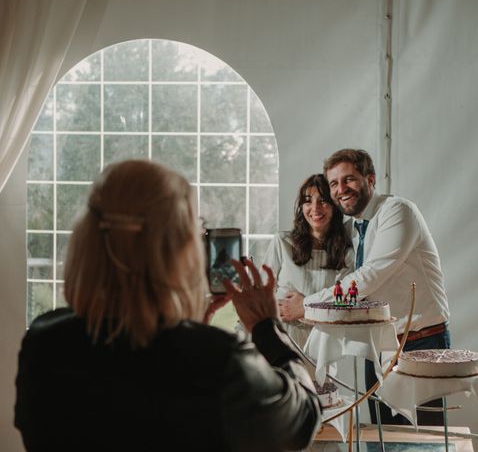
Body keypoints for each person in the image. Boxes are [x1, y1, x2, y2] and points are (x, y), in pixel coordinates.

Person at [14, 160, 321, 452]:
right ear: (180, 251)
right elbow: (301, 423)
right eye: (196, 228)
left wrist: (192, 325)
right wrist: (266, 328)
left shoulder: (44, 342)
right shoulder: (220, 361)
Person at [280, 148, 450, 426]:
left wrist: (306, 304)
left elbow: (369, 277)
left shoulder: (398, 211)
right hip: (380, 343)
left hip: (420, 341)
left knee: (425, 439)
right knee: (385, 436)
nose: (341, 189)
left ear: (371, 179)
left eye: (349, 179)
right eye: (334, 183)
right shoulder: (355, 228)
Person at [265, 173, 353, 348]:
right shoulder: (282, 243)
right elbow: (263, 292)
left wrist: (303, 310)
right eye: (307, 201)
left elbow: (342, 309)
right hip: (281, 338)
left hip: (323, 342)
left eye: (323, 201)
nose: (315, 208)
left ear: (335, 206)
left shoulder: (346, 254)